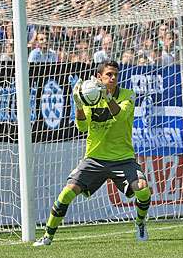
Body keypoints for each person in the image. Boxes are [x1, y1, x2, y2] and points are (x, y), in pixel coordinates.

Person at [33, 60, 151, 247]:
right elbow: (81, 127)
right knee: (67, 193)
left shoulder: (128, 95)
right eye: (108, 75)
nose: (113, 78)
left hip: (123, 159)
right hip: (94, 159)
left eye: (115, 75)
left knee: (143, 188)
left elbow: (119, 117)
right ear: (99, 77)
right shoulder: (89, 97)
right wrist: (79, 105)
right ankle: (47, 236)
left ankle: (140, 222)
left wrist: (107, 97)